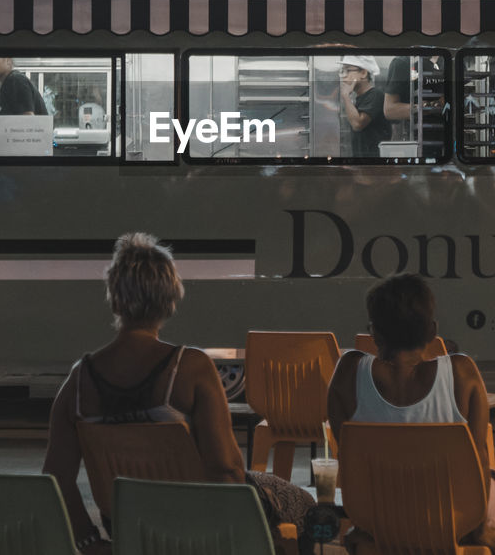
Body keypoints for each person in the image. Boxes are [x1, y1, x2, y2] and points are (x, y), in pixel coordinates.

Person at [43, 232, 313, 553]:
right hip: (203, 523)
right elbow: (225, 469)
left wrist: (90, 542)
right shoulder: (191, 367)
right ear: (170, 300)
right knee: (305, 505)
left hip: (130, 526)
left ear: (114, 299)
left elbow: (55, 480)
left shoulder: (78, 382)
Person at [327, 273, 495, 555]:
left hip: (378, 516)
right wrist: (479, 527)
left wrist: (365, 522)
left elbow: (347, 456)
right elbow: (479, 459)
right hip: (456, 518)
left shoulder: (348, 372)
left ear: (374, 332)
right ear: (433, 331)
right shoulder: (461, 373)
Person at [338, 55, 390, 157]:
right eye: (342, 71)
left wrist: (345, 96)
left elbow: (358, 124)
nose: (344, 76)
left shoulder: (375, 95)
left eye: (348, 71)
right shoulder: (360, 98)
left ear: (363, 73)